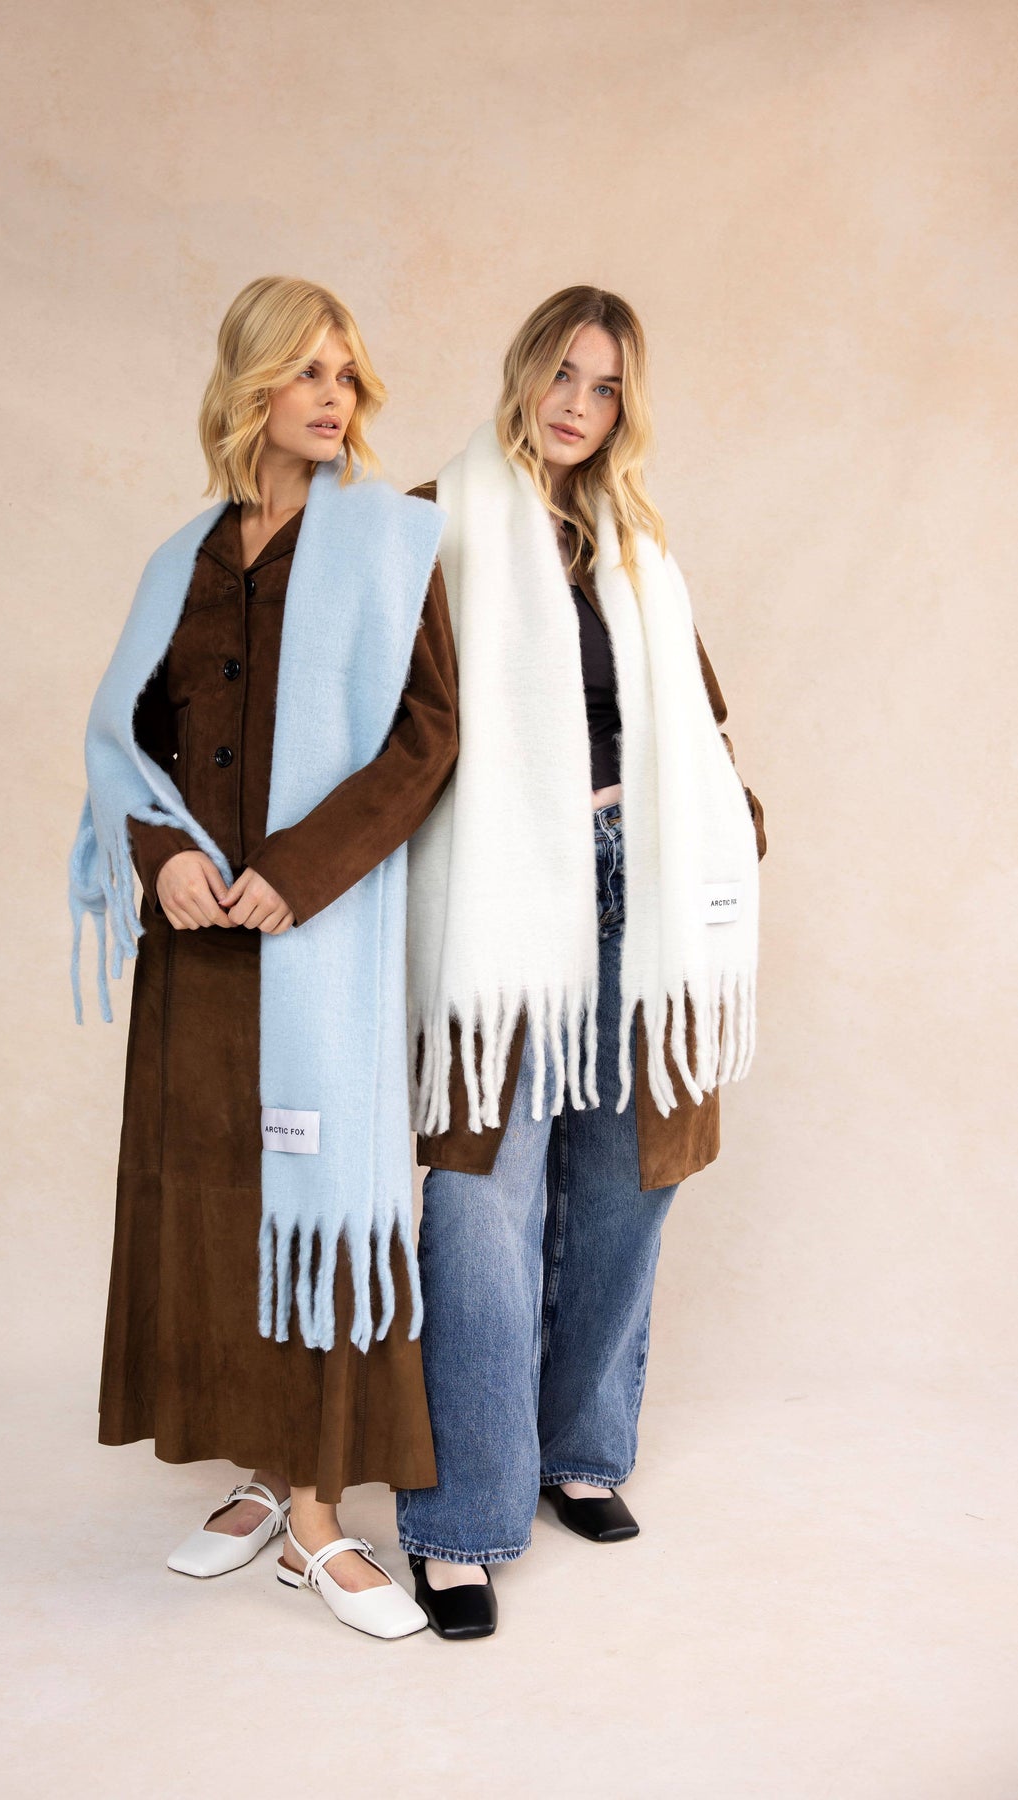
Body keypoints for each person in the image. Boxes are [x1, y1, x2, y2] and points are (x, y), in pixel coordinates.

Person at [69, 275, 457, 1640]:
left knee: (322, 1207)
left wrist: (298, 872)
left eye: (346, 372)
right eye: (306, 371)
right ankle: (254, 1468)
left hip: (319, 937)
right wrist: (155, 855)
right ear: (250, 386)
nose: (333, 396)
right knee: (217, 1207)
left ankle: (316, 1516)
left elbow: (425, 737)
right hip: (197, 954)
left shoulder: (392, 542)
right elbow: (128, 743)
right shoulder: (180, 561)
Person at [397, 285, 766, 1639]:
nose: (576, 404)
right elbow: (397, 734)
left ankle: (580, 1453)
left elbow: (695, 712)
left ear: (624, 408)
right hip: (502, 903)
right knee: (478, 1201)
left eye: (604, 386)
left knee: (624, 1182)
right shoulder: (433, 522)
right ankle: (460, 1520)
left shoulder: (633, 544)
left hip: (641, 895)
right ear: (523, 373)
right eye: (561, 373)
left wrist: (738, 819)